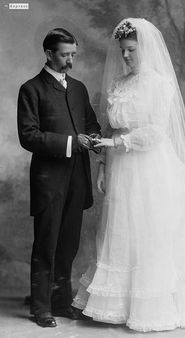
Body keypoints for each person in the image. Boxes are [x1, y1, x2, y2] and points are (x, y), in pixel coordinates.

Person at [72, 18, 185, 333]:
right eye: (123, 51)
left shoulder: (159, 84)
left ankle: (151, 308)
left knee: (148, 232)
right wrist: (105, 163)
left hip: (149, 169)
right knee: (120, 231)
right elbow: (110, 125)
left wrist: (116, 143)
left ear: (145, 48)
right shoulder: (119, 83)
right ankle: (118, 305)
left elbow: (155, 133)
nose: (126, 57)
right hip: (120, 168)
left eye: (131, 50)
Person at [17, 28, 101, 328]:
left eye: (73, 55)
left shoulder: (78, 88)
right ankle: (41, 308)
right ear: (49, 54)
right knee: (46, 244)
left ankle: (61, 302)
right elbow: (28, 136)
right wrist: (70, 142)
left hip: (77, 179)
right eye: (65, 55)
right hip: (48, 181)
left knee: (68, 244)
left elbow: (92, 124)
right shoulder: (31, 89)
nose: (70, 61)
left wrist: (92, 137)